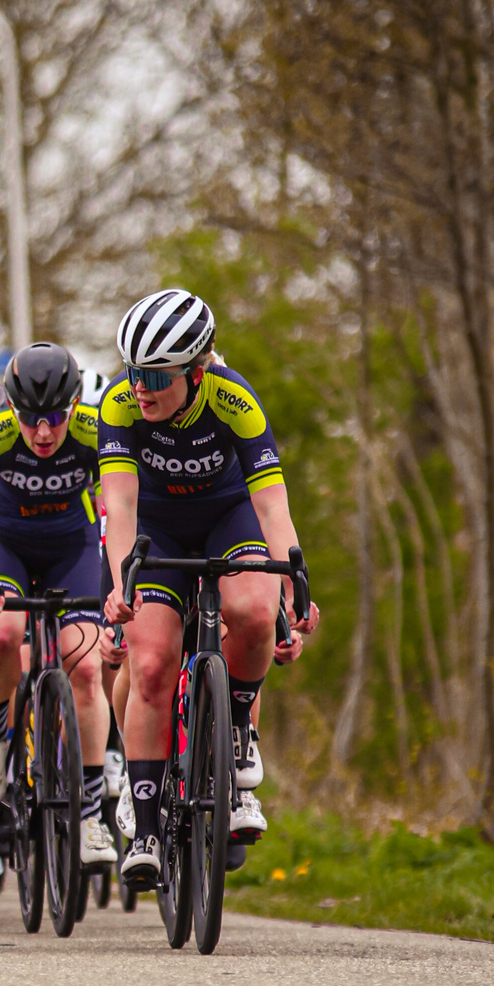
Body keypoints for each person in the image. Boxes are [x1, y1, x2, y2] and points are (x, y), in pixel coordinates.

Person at [99, 289, 317, 875]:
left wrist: (295, 587)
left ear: (195, 374)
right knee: (149, 664)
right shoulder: (119, 405)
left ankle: (239, 727)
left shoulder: (234, 400)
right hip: (156, 531)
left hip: (229, 518)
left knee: (251, 609)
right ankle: (145, 829)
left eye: (155, 375)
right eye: (132, 370)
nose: (139, 386)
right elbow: (118, 506)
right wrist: (122, 583)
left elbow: (272, 509)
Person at [0, 340, 115, 867]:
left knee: (88, 669)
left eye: (55, 416)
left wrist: (118, 581)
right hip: (7, 545)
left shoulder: (97, 433)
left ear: (73, 406)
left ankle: (93, 814)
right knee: (3, 633)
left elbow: (114, 515)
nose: (45, 432)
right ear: (12, 411)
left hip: (70, 548)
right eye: (31, 419)